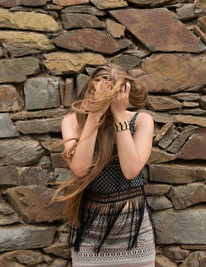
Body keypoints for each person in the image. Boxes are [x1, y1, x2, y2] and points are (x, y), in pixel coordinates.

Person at [52, 63, 156, 266]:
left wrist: (119, 116)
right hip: (90, 232)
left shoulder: (141, 120)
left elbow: (130, 170)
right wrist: (93, 115)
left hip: (134, 232)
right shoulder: (73, 121)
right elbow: (80, 169)